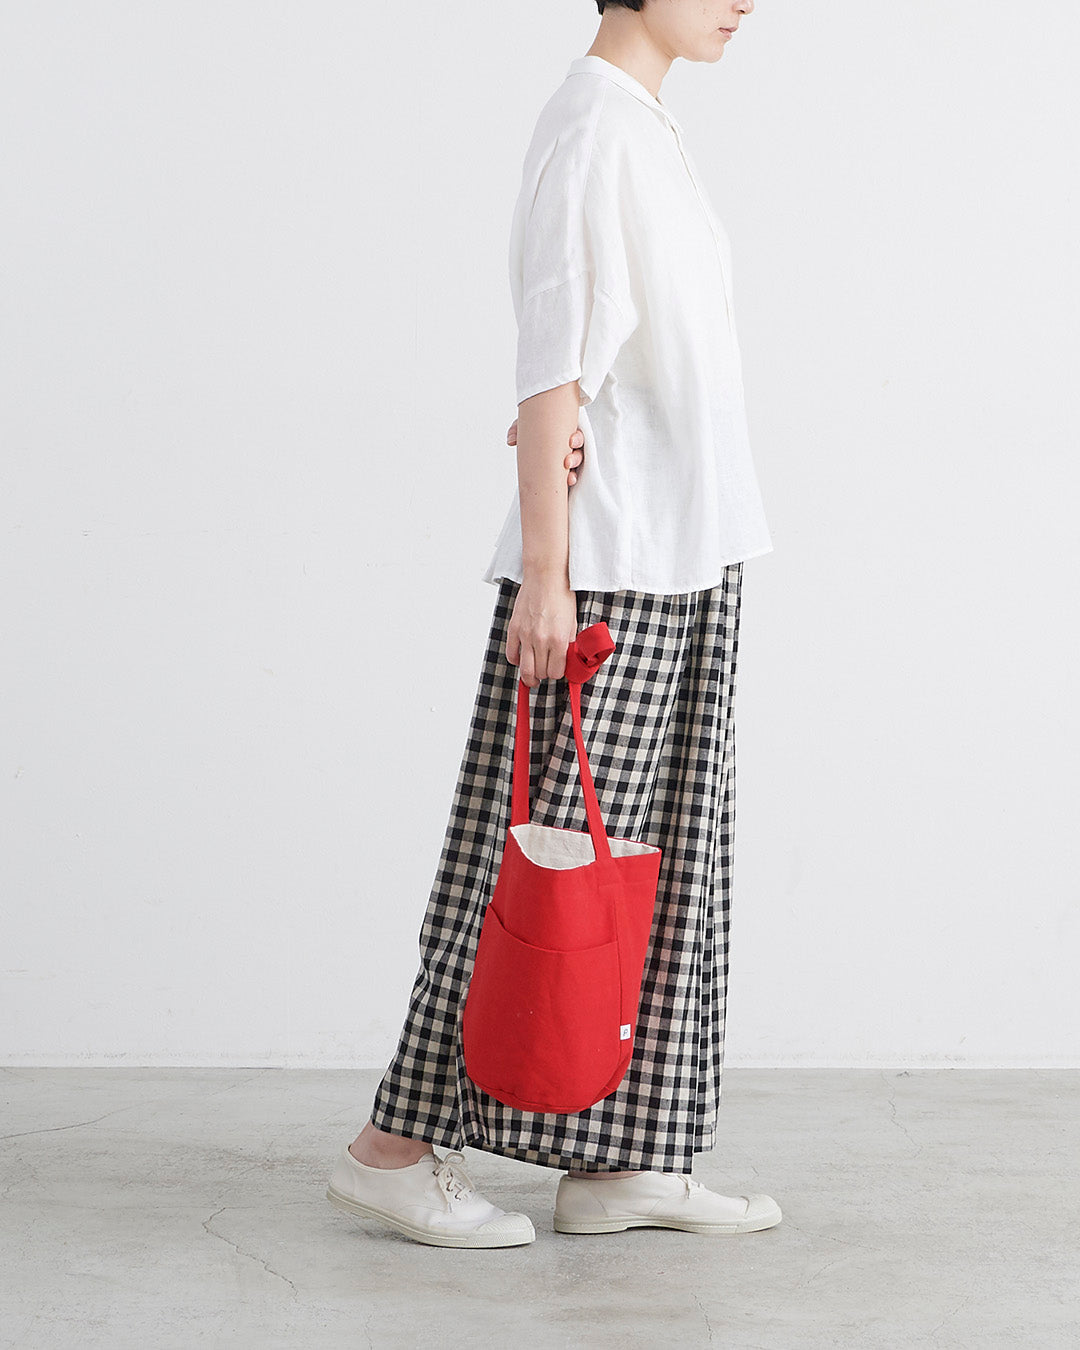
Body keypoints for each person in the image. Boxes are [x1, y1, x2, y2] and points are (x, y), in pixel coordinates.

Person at [326, 0, 784, 1248]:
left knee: (657, 876)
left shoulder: (645, 126)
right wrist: (545, 573)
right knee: (531, 868)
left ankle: (623, 1159)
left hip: (689, 554)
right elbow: (551, 365)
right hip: (613, 566)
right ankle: (394, 1147)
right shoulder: (593, 129)